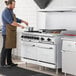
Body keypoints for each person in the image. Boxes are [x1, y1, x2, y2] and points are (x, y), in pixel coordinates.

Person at [1, 0, 28, 67]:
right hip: (6, 32)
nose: (14, 6)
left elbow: (15, 19)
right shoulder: (5, 12)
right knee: (5, 48)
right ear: (10, 4)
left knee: (9, 47)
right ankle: (2, 64)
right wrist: (20, 26)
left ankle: (9, 62)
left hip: (10, 32)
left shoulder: (10, 10)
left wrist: (23, 21)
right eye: (14, 5)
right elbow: (11, 22)